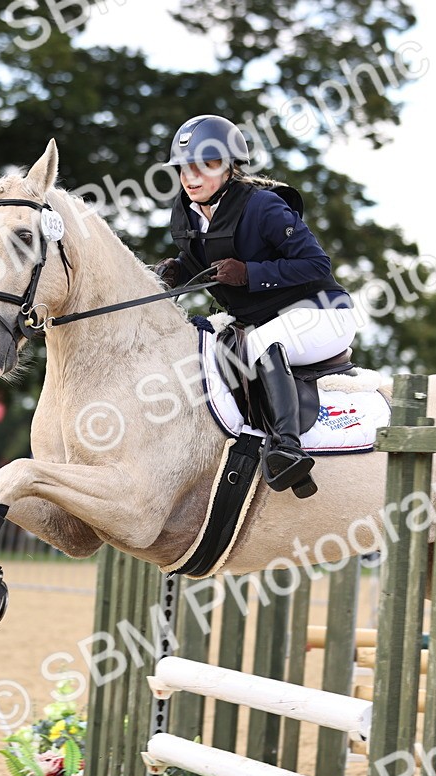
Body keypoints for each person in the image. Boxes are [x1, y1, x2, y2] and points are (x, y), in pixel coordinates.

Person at [155, 114, 356, 498]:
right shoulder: (185, 215)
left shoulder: (263, 206)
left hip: (322, 314)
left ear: (230, 167)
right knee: (200, 349)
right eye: (184, 168)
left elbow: (317, 264)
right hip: (258, 318)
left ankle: (287, 449)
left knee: (259, 345)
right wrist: (177, 270)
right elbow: (205, 261)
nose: (191, 177)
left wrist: (250, 273)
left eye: (205, 165)